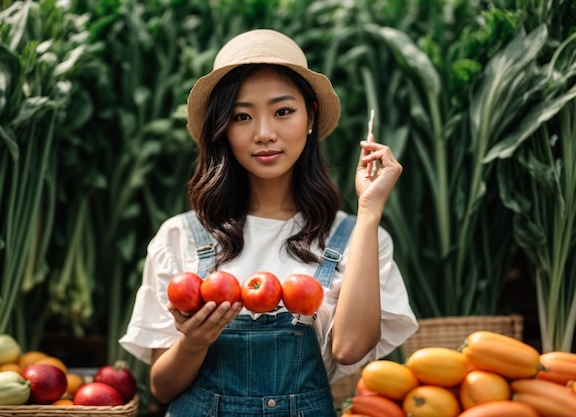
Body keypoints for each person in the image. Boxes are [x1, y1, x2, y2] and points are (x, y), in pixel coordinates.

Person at [119, 29, 418, 417]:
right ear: (222, 129)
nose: (264, 134)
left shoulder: (354, 237)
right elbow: (161, 387)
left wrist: (370, 211)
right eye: (242, 116)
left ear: (310, 115)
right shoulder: (181, 237)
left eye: (283, 111)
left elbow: (350, 349)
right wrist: (193, 343)